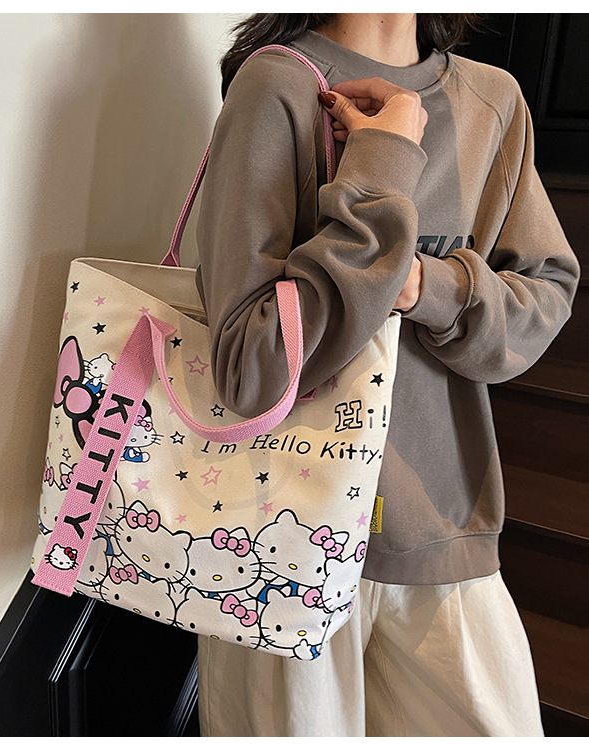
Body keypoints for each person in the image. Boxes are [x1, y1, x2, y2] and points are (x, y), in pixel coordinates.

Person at [193, 13, 580, 737]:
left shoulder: (493, 100)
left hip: (439, 525)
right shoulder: (276, 85)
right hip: (279, 542)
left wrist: (423, 285)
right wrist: (382, 162)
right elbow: (250, 367)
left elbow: (543, 298)